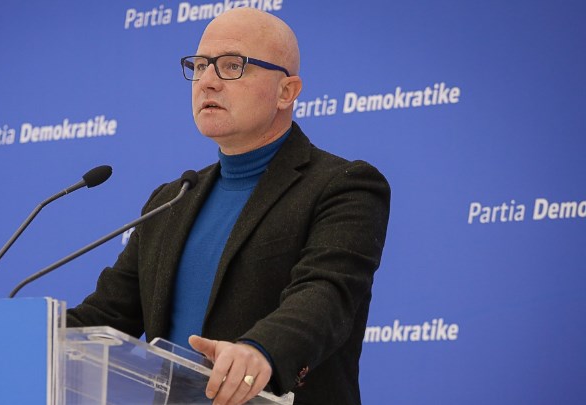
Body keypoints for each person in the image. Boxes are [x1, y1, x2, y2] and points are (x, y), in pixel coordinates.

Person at [67, 8, 390, 405]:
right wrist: (19, 334)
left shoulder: (343, 186)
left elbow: (325, 294)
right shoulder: (170, 200)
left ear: (286, 91)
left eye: (232, 66)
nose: (207, 81)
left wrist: (261, 349)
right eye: (200, 66)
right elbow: (106, 315)